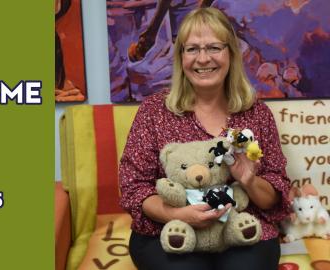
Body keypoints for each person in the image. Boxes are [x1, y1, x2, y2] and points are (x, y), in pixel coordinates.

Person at [119, 7, 291, 270]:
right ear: (181, 57)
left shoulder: (257, 113)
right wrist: (178, 214)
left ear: (231, 54)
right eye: (192, 49)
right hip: (169, 229)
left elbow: (275, 193)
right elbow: (135, 188)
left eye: (213, 47)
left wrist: (250, 181)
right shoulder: (154, 111)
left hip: (238, 227)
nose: (203, 59)